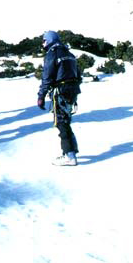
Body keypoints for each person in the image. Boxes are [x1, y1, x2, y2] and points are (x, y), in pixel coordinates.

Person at [37, 30, 81, 165]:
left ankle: (69, 156)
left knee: (61, 122)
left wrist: (41, 95)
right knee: (66, 120)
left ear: (49, 40)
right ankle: (71, 151)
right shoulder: (69, 53)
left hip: (60, 90)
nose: (43, 43)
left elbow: (47, 76)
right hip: (72, 90)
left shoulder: (52, 54)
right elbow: (78, 74)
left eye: (44, 40)